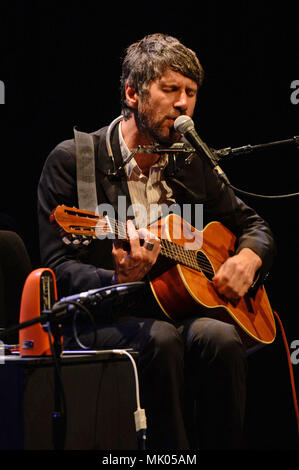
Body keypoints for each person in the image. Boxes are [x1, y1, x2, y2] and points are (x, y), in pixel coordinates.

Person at [37, 33, 275, 450]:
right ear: (132, 93)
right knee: (161, 339)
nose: (183, 103)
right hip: (102, 319)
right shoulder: (76, 161)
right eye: (170, 90)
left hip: (174, 310)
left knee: (219, 337)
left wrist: (249, 259)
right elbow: (57, 269)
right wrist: (117, 277)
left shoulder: (191, 161)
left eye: (191, 92)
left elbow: (253, 223)